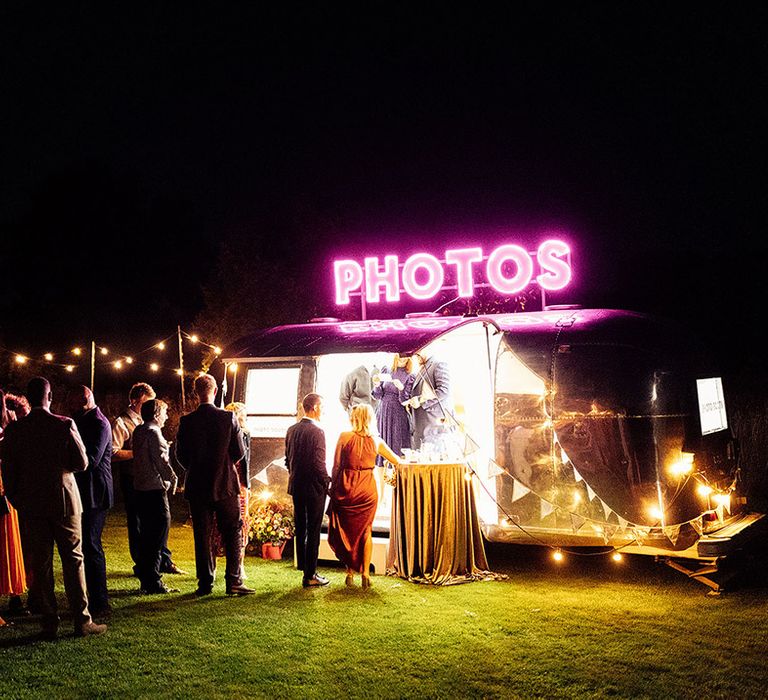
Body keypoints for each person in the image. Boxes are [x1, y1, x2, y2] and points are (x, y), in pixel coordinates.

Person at [0, 377, 106, 639]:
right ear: (49, 398)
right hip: (64, 500)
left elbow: (8, 470)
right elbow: (82, 462)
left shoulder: (16, 430)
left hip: (32, 504)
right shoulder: (64, 424)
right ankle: (82, 620)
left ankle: (49, 621)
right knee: (74, 559)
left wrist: (17, 498)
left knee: (42, 563)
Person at [176, 374, 253, 596]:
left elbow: (181, 456)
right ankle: (234, 580)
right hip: (225, 483)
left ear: (195, 393)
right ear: (215, 391)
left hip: (198, 484)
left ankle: (205, 582)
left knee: (202, 534)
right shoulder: (228, 418)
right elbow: (239, 453)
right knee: (233, 531)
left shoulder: (186, 421)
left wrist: (195, 466)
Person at [112, 382, 185, 577]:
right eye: (147, 402)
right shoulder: (123, 423)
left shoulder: (146, 428)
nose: (149, 406)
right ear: (135, 401)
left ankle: (161, 561)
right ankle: (144, 564)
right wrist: (141, 452)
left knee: (156, 524)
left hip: (148, 479)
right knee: (141, 522)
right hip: (134, 479)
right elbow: (113, 452)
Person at [327, 403, 400, 589]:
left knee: (347, 531)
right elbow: (397, 462)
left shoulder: (344, 437)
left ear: (354, 418)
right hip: (367, 489)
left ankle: (350, 572)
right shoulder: (377, 441)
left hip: (347, 487)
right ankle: (366, 574)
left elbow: (336, 466)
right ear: (370, 419)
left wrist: (332, 488)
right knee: (366, 530)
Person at [68, 385, 114, 618]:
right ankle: (87, 596)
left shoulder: (99, 422)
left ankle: (101, 600)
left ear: (87, 398)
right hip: (84, 489)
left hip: (96, 490)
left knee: (92, 545)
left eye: (77, 401)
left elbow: (93, 459)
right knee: (84, 544)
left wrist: (68, 462)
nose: (73, 406)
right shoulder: (80, 419)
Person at [132, 399, 179, 595]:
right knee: (158, 533)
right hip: (154, 490)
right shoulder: (154, 432)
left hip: (140, 489)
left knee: (146, 535)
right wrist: (173, 479)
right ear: (157, 414)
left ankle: (145, 576)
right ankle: (153, 580)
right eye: (165, 413)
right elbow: (161, 461)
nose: (167, 418)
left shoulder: (139, 431)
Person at [285, 393, 330, 588]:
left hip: (296, 485)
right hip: (314, 488)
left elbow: (288, 459)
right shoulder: (317, 432)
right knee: (313, 530)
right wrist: (327, 483)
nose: (323, 411)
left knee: (301, 527)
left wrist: (295, 475)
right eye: (322, 407)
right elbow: (319, 464)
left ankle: (303, 566)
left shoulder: (291, 430)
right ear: (315, 407)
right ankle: (310, 574)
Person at [0, 390, 27, 626]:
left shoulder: (12, 433)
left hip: (10, 495)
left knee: (11, 544)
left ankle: (15, 595)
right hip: (2, 492)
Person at [372, 354, 415, 466]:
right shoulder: (386, 369)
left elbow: (405, 400)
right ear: (396, 355)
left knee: (397, 444)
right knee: (382, 447)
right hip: (383, 412)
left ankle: (399, 478)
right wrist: (376, 385)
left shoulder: (410, 375)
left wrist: (401, 389)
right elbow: (377, 395)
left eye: (407, 356)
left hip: (398, 413)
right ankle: (382, 481)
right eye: (401, 355)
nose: (403, 358)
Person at [224, 402, 251, 579]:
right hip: (235, 483)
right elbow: (243, 461)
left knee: (239, 524)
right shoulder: (241, 435)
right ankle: (237, 567)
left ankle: (237, 566)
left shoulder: (244, 434)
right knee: (239, 525)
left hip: (233, 483)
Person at [408, 352, 453, 448]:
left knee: (434, 459)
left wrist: (420, 400)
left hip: (433, 425)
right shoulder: (423, 368)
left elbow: (444, 390)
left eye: (417, 353)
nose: (416, 357)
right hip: (421, 425)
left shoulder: (438, 364)